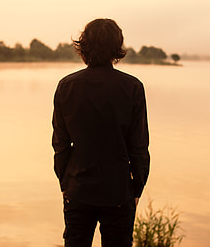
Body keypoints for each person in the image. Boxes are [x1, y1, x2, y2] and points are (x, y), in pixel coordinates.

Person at [52, 18, 150, 247]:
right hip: (118, 191)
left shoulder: (66, 86)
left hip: (78, 189)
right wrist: (136, 187)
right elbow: (139, 147)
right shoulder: (132, 87)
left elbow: (60, 144)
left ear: (84, 46)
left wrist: (65, 184)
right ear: (117, 47)